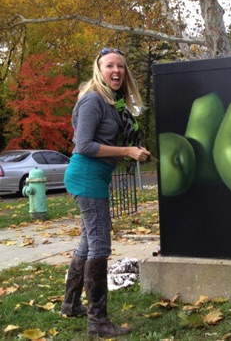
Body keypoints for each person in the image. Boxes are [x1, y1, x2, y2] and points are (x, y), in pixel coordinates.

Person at [60, 48, 151, 338]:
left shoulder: (112, 102)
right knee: (99, 246)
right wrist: (127, 151)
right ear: (98, 69)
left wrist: (133, 151)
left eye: (120, 66)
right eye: (109, 65)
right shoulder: (93, 100)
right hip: (86, 177)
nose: (116, 70)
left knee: (87, 245)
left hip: (94, 177)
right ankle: (98, 321)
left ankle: (71, 305)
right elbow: (83, 145)